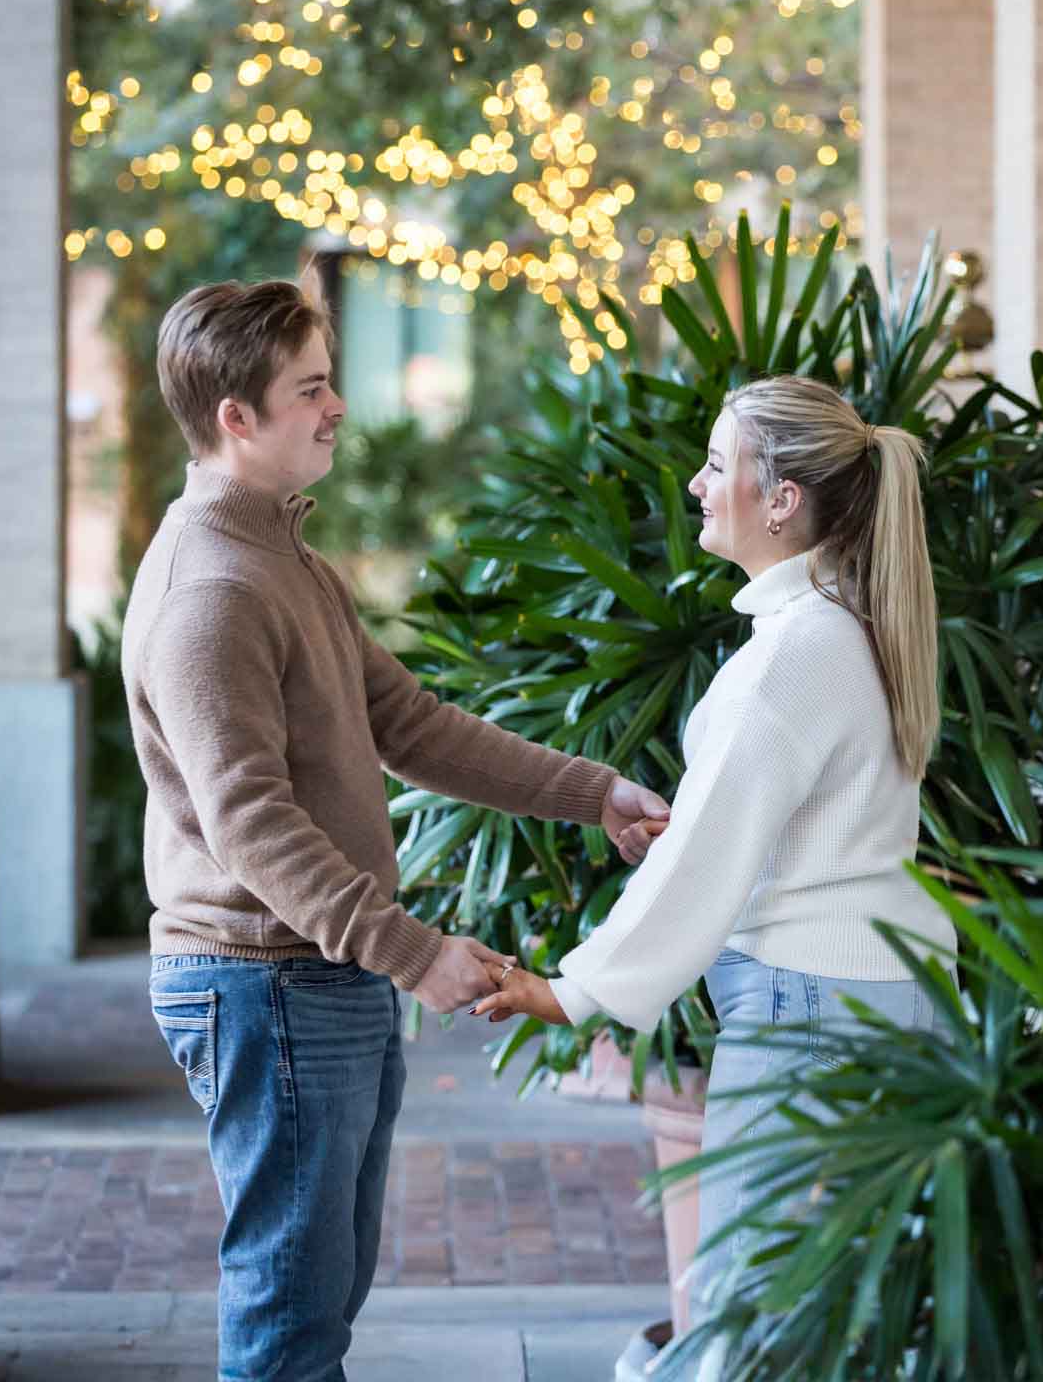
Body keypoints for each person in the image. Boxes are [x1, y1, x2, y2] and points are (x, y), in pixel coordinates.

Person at [120, 277, 669, 1382]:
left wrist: (592, 789)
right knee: (289, 1314)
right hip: (262, 978)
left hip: (315, 975)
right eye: (311, 387)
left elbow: (406, 721)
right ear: (238, 414)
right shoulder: (212, 589)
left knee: (322, 1295)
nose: (336, 407)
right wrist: (415, 953)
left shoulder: (288, 561)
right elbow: (251, 827)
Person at [473, 374, 958, 1339]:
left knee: (751, 1303)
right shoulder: (846, 623)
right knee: (850, 1312)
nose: (697, 486)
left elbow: (707, 859)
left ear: (781, 500)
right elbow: (791, 823)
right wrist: (703, 823)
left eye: (714, 464)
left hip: (809, 1007)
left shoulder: (791, 651)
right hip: (884, 990)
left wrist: (569, 991)